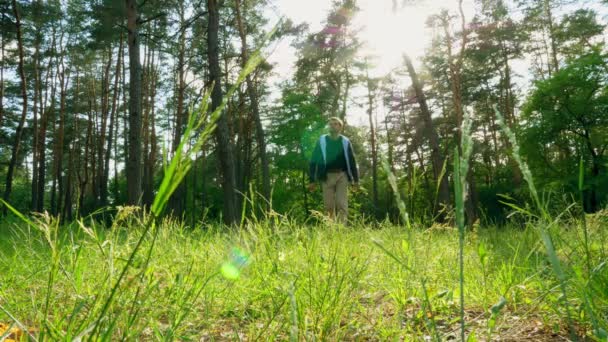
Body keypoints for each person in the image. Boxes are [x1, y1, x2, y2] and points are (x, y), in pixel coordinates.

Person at [308, 117, 359, 224]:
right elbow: (313, 160)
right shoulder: (322, 140)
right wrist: (312, 180)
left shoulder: (345, 141)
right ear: (328, 127)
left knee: (341, 204)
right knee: (328, 206)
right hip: (326, 176)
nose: (333, 126)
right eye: (331, 124)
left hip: (342, 175)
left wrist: (356, 180)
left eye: (336, 124)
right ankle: (331, 230)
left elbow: (352, 161)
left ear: (340, 127)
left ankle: (341, 229)